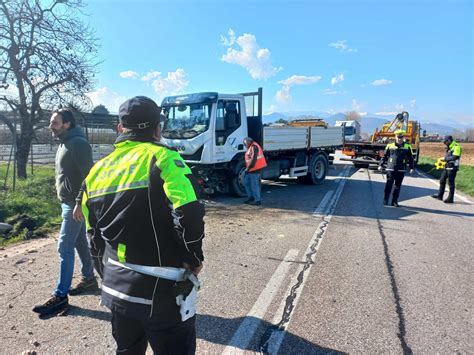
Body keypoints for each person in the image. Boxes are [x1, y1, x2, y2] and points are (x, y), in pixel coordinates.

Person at [80, 96, 205, 354]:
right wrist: (193, 258)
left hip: (117, 288)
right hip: (161, 292)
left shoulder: (96, 170)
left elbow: (92, 235)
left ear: (120, 128)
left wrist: (103, 273)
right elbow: (189, 211)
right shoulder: (164, 158)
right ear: (157, 128)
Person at [33, 109, 97, 316]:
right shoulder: (64, 142)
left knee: (64, 247)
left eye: (55, 122)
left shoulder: (78, 144)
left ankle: (60, 296)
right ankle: (89, 279)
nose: (51, 125)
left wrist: (79, 202)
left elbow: (90, 176)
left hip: (74, 204)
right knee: (78, 243)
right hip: (67, 202)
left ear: (67, 124)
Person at [378, 130, 414, 207]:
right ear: (395, 137)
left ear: (403, 137)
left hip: (401, 169)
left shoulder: (407, 146)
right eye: (398, 137)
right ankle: (386, 199)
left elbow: (410, 158)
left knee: (397, 186)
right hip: (391, 168)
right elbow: (384, 156)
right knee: (389, 185)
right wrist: (381, 165)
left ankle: (394, 201)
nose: (399, 139)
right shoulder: (390, 145)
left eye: (401, 137)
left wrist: (411, 167)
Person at [431, 135, 462, 203]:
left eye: (445, 142)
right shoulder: (449, 147)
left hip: (453, 167)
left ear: (449, 141)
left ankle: (450, 198)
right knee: (442, 180)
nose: (444, 143)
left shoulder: (456, 147)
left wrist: (444, 159)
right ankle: (440, 196)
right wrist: (443, 160)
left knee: (451, 183)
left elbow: (455, 157)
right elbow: (448, 156)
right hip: (447, 166)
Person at [243, 137, 267, 206]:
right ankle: (251, 197)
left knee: (254, 185)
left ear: (249, 141)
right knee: (247, 182)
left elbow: (253, 159)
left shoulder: (254, 147)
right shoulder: (251, 147)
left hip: (255, 169)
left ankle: (257, 200)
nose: (245, 145)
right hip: (251, 169)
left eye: (245, 143)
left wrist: (248, 168)